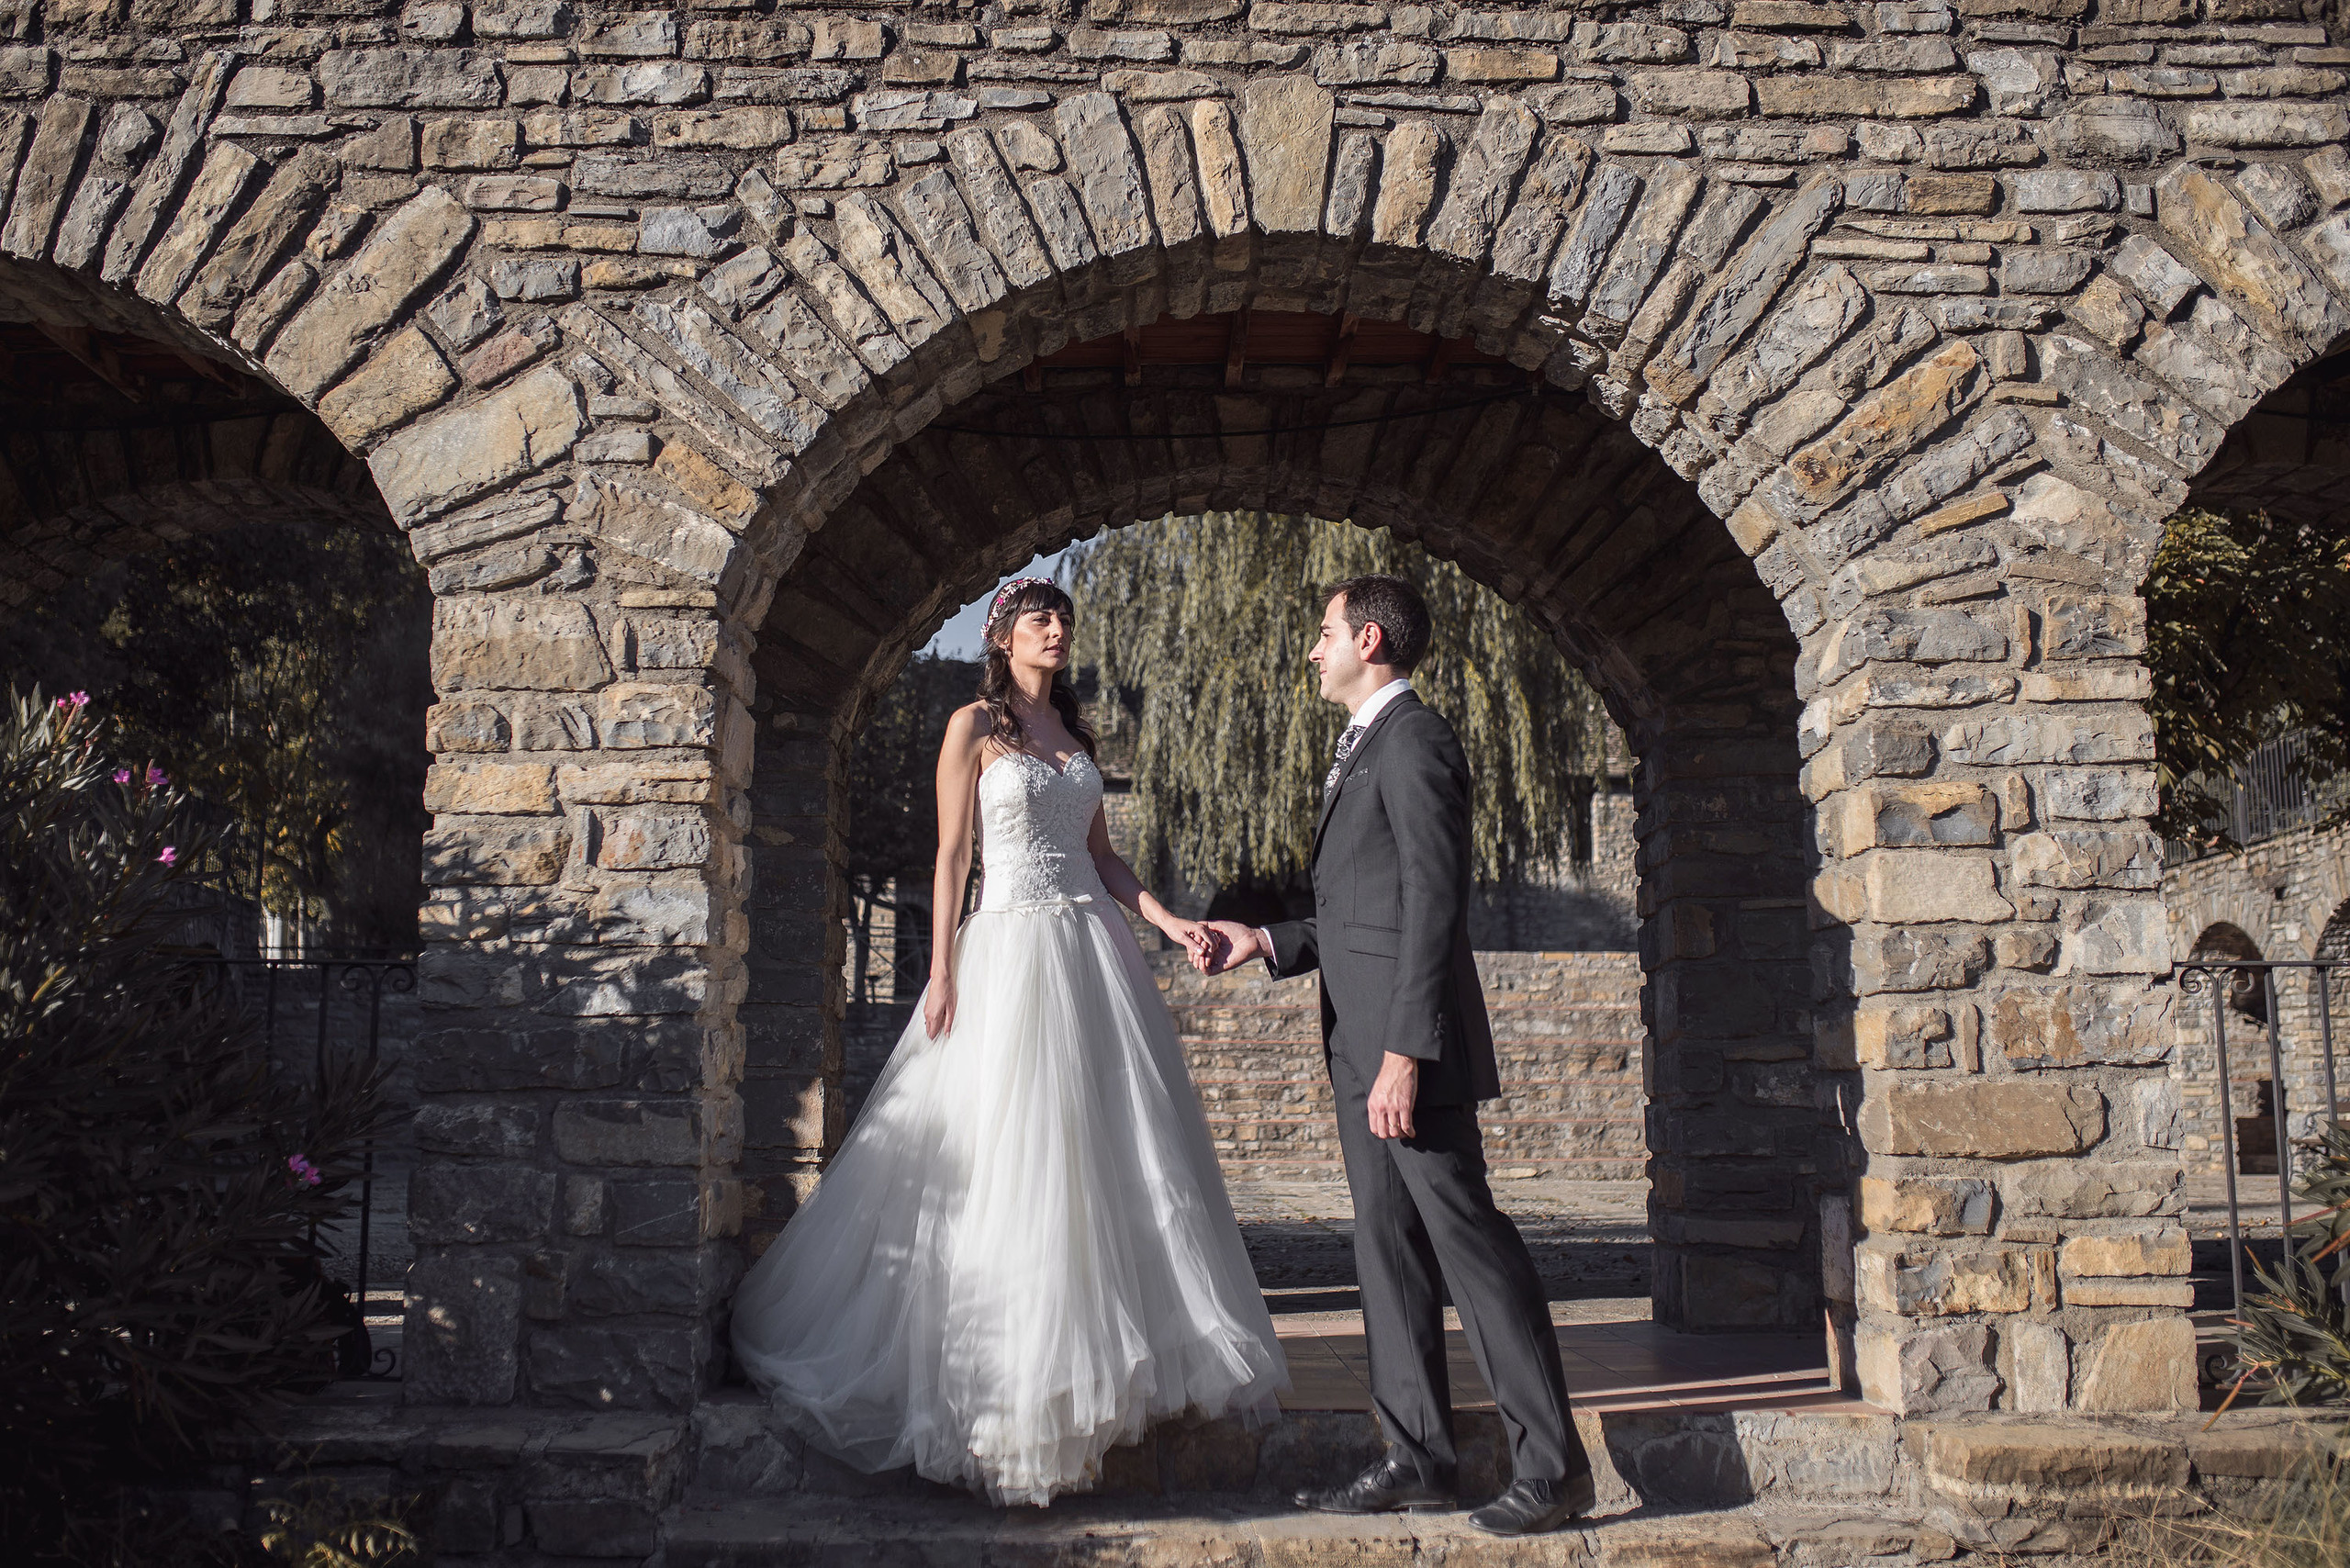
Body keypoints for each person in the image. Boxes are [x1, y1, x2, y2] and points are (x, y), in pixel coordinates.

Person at [730, 577, 1287, 1506]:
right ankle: (1003, 1383)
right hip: (1010, 949)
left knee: (1107, 1149)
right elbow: (952, 854)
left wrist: (1166, 920)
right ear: (1003, 637)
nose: (1057, 629)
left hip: (1090, 952)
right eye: (1040, 619)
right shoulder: (973, 728)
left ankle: (1108, 1358)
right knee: (1007, 1150)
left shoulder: (1075, 739)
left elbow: (1101, 857)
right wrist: (942, 969)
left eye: (1064, 618)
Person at [1194, 574, 1595, 1538]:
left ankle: (1553, 1469)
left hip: (1405, 1052)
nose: (1312, 649)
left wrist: (1406, 1053)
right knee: (1385, 1248)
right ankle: (1417, 1457)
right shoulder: (1366, 745)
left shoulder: (1414, 741)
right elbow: (1361, 912)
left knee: (1470, 1246)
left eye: (1324, 632)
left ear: (1367, 639)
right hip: (1359, 1045)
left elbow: (1432, 905)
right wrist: (1268, 940)